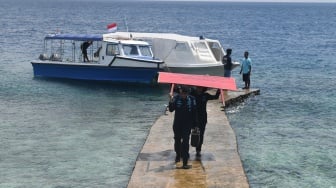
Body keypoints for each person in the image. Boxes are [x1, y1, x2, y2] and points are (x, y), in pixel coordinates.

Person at [168, 85, 198, 169]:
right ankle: (178, 155)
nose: (183, 95)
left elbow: (194, 113)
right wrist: (170, 99)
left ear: (187, 93)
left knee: (185, 143)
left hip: (187, 125)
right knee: (177, 141)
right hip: (177, 124)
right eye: (181, 93)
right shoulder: (176, 98)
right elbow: (171, 109)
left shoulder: (192, 99)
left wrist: (195, 125)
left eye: (184, 94)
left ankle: (185, 163)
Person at [190, 87, 220, 157]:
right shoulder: (192, 95)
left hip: (203, 118)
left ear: (203, 88)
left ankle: (198, 150)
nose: (199, 89)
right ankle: (185, 149)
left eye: (200, 88)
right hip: (193, 117)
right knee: (191, 133)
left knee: (201, 134)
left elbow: (215, 97)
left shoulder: (205, 95)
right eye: (198, 88)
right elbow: (183, 94)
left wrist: (219, 91)